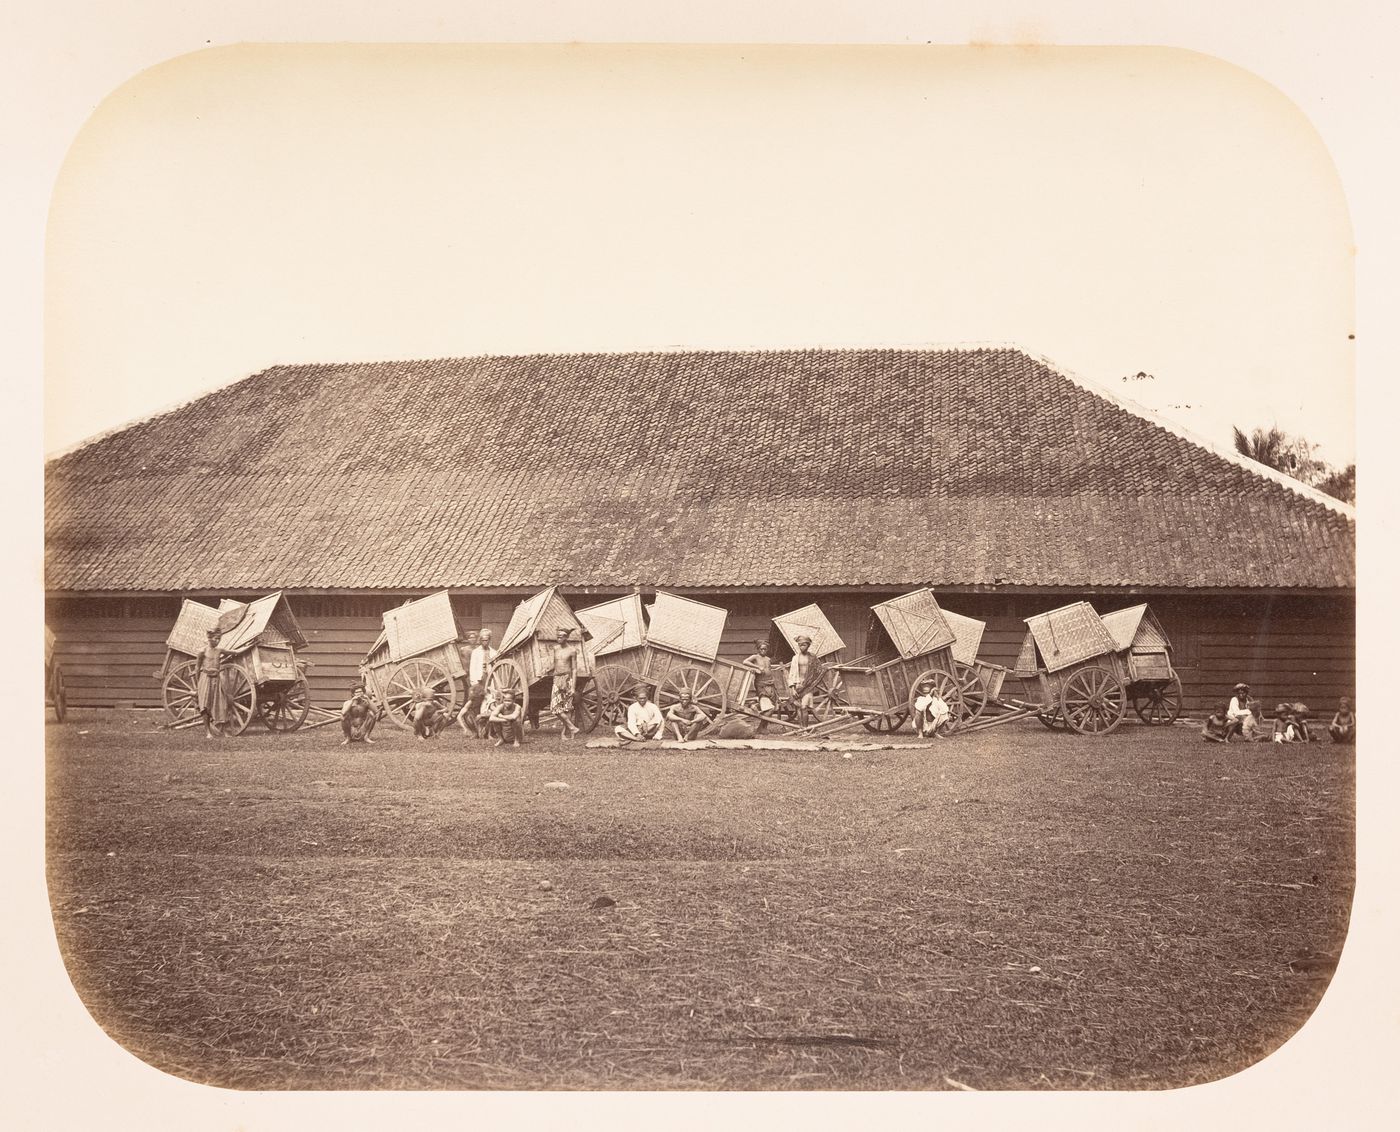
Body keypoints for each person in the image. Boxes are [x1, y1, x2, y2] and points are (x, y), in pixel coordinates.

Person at [456, 628, 497, 737]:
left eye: (487, 640)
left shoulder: (494, 652)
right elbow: (473, 667)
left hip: (489, 678)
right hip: (478, 680)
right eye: (482, 640)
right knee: (477, 702)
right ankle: (477, 727)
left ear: (490, 640)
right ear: (480, 640)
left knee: (489, 701)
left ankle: (488, 728)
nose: (485, 642)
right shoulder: (476, 652)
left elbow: (495, 667)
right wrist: (474, 682)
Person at [549, 626, 582, 740]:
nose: (559, 638)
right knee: (555, 708)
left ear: (567, 637)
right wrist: (547, 670)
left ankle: (565, 734)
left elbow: (574, 669)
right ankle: (572, 727)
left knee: (567, 708)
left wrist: (572, 687)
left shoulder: (572, 651)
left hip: (568, 680)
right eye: (558, 636)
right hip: (557, 679)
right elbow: (554, 664)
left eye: (562, 636)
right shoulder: (555, 648)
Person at [787, 635, 827, 728]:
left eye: (804, 645)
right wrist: (792, 689)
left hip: (808, 686)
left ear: (808, 645)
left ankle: (805, 728)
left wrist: (813, 679)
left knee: (804, 707)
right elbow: (792, 674)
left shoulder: (813, 657)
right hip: (797, 686)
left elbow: (819, 670)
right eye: (800, 645)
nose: (802, 647)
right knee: (798, 708)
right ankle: (800, 728)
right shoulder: (795, 658)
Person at [196, 627, 227, 739]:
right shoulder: (202, 651)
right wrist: (197, 685)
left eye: (219, 638)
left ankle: (221, 731)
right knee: (205, 705)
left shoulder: (219, 650)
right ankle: (208, 732)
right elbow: (197, 667)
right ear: (209, 638)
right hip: (205, 678)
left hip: (216, 679)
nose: (217, 641)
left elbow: (234, 652)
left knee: (220, 703)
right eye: (216, 638)